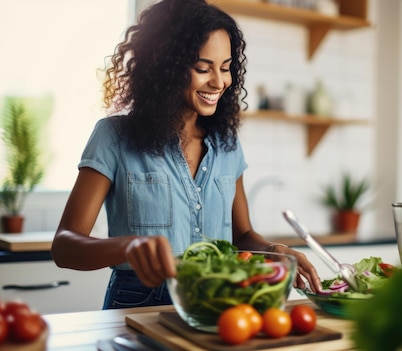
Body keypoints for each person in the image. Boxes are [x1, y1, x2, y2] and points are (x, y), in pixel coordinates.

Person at [51, 0, 322, 310]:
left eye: (225, 67)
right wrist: (128, 246)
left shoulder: (227, 143)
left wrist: (274, 250)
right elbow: (64, 247)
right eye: (202, 68)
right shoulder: (114, 136)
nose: (219, 82)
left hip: (216, 302)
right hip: (139, 301)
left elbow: (242, 233)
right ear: (165, 67)